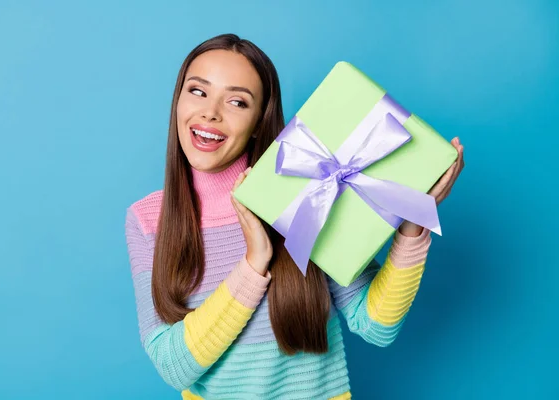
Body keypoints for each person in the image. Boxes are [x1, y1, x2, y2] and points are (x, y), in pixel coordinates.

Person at [124, 33, 464, 400]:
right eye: (198, 91)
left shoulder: (307, 192)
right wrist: (255, 263)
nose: (211, 112)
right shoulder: (148, 219)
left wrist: (411, 227)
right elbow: (173, 366)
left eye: (237, 101)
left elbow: (376, 326)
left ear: (258, 122)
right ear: (178, 102)